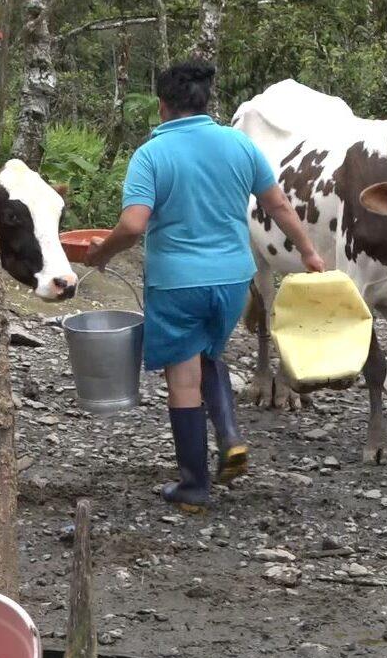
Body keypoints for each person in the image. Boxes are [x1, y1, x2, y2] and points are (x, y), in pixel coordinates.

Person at [85, 60, 325, 512]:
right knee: (209, 354)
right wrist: (309, 252)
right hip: (234, 279)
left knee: (184, 381)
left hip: (178, 284)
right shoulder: (240, 145)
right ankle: (230, 436)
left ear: (162, 106)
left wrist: (103, 252)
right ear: (204, 102)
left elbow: (134, 224)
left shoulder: (151, 156)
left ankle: (193, 486)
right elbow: (278, 206)